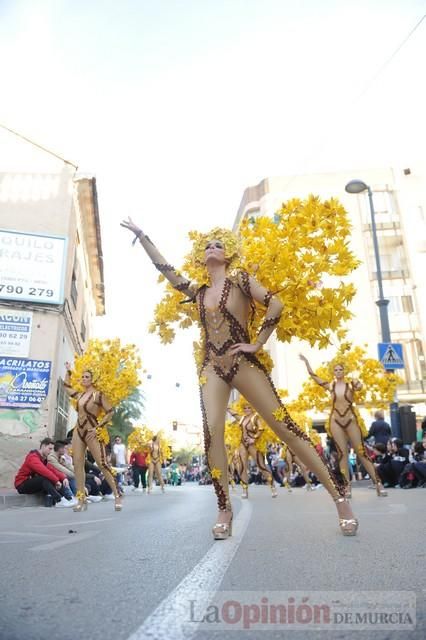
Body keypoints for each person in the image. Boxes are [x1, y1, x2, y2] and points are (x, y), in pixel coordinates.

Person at [121, 219, 359, 537]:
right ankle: (224, 508)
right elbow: (165, 269)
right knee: (212, 431)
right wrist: (142, 235)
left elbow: (276, 303)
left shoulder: (242, 281)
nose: (212, 248)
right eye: (207, 245)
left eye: (218, 244)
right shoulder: (198, 290)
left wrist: (257, 342)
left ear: (230, 253)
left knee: (284, 427)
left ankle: (339, 497)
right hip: (211, 367)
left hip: (243, 362)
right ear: (200, 254)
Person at [299, 355, 387, 499]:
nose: (338, 371)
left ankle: (378, 483)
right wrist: (307, 362)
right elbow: (314, 376)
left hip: (350, 419)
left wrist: (358, 384)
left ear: (345, 371)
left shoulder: (350, 384)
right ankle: (347, 486)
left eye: (341, 369)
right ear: (333, 372)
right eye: (336, 370)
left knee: (361, 452)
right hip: (335, 420)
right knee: (342, 454)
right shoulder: (331, 385)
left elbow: (359, 387)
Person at [63, 362, 122, 512]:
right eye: (82, 376)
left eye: (86, 377)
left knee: (102, 464)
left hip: (92, 431)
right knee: (77, 464)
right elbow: (67, 388)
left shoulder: (98, 395)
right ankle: (81, 499)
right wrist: (69, 372)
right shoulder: (80, 394)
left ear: (92, 379)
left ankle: (117, 495)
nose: (83, 379)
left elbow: (110, 411)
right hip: (79, 430)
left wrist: (99, 427)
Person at [228, 403, 277, 498]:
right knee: (242, 467)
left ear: (252, 408)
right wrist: (226, 407)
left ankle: (272, 487)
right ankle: (245, 490)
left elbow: (261, 429)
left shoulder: (255, 418)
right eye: (245, 408)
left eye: (249, 407)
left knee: (262, 466)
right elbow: (234, 414)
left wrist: (254, 438)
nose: (246, 409)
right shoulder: (242, 418)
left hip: (253, 445)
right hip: (243, 444)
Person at [15, 438, 75, 507]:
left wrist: (63, 478)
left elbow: (52, 469)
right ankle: (59, 501)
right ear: (43, 446)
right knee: (44, 479)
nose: (50, 451)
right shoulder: (32, 457)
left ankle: (70, 498)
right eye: (49, 449)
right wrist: (56, 481)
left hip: (33, 484)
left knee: (55, 478)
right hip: (22, 485)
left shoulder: (44, 458)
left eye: (52, 449)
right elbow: (44, 471)